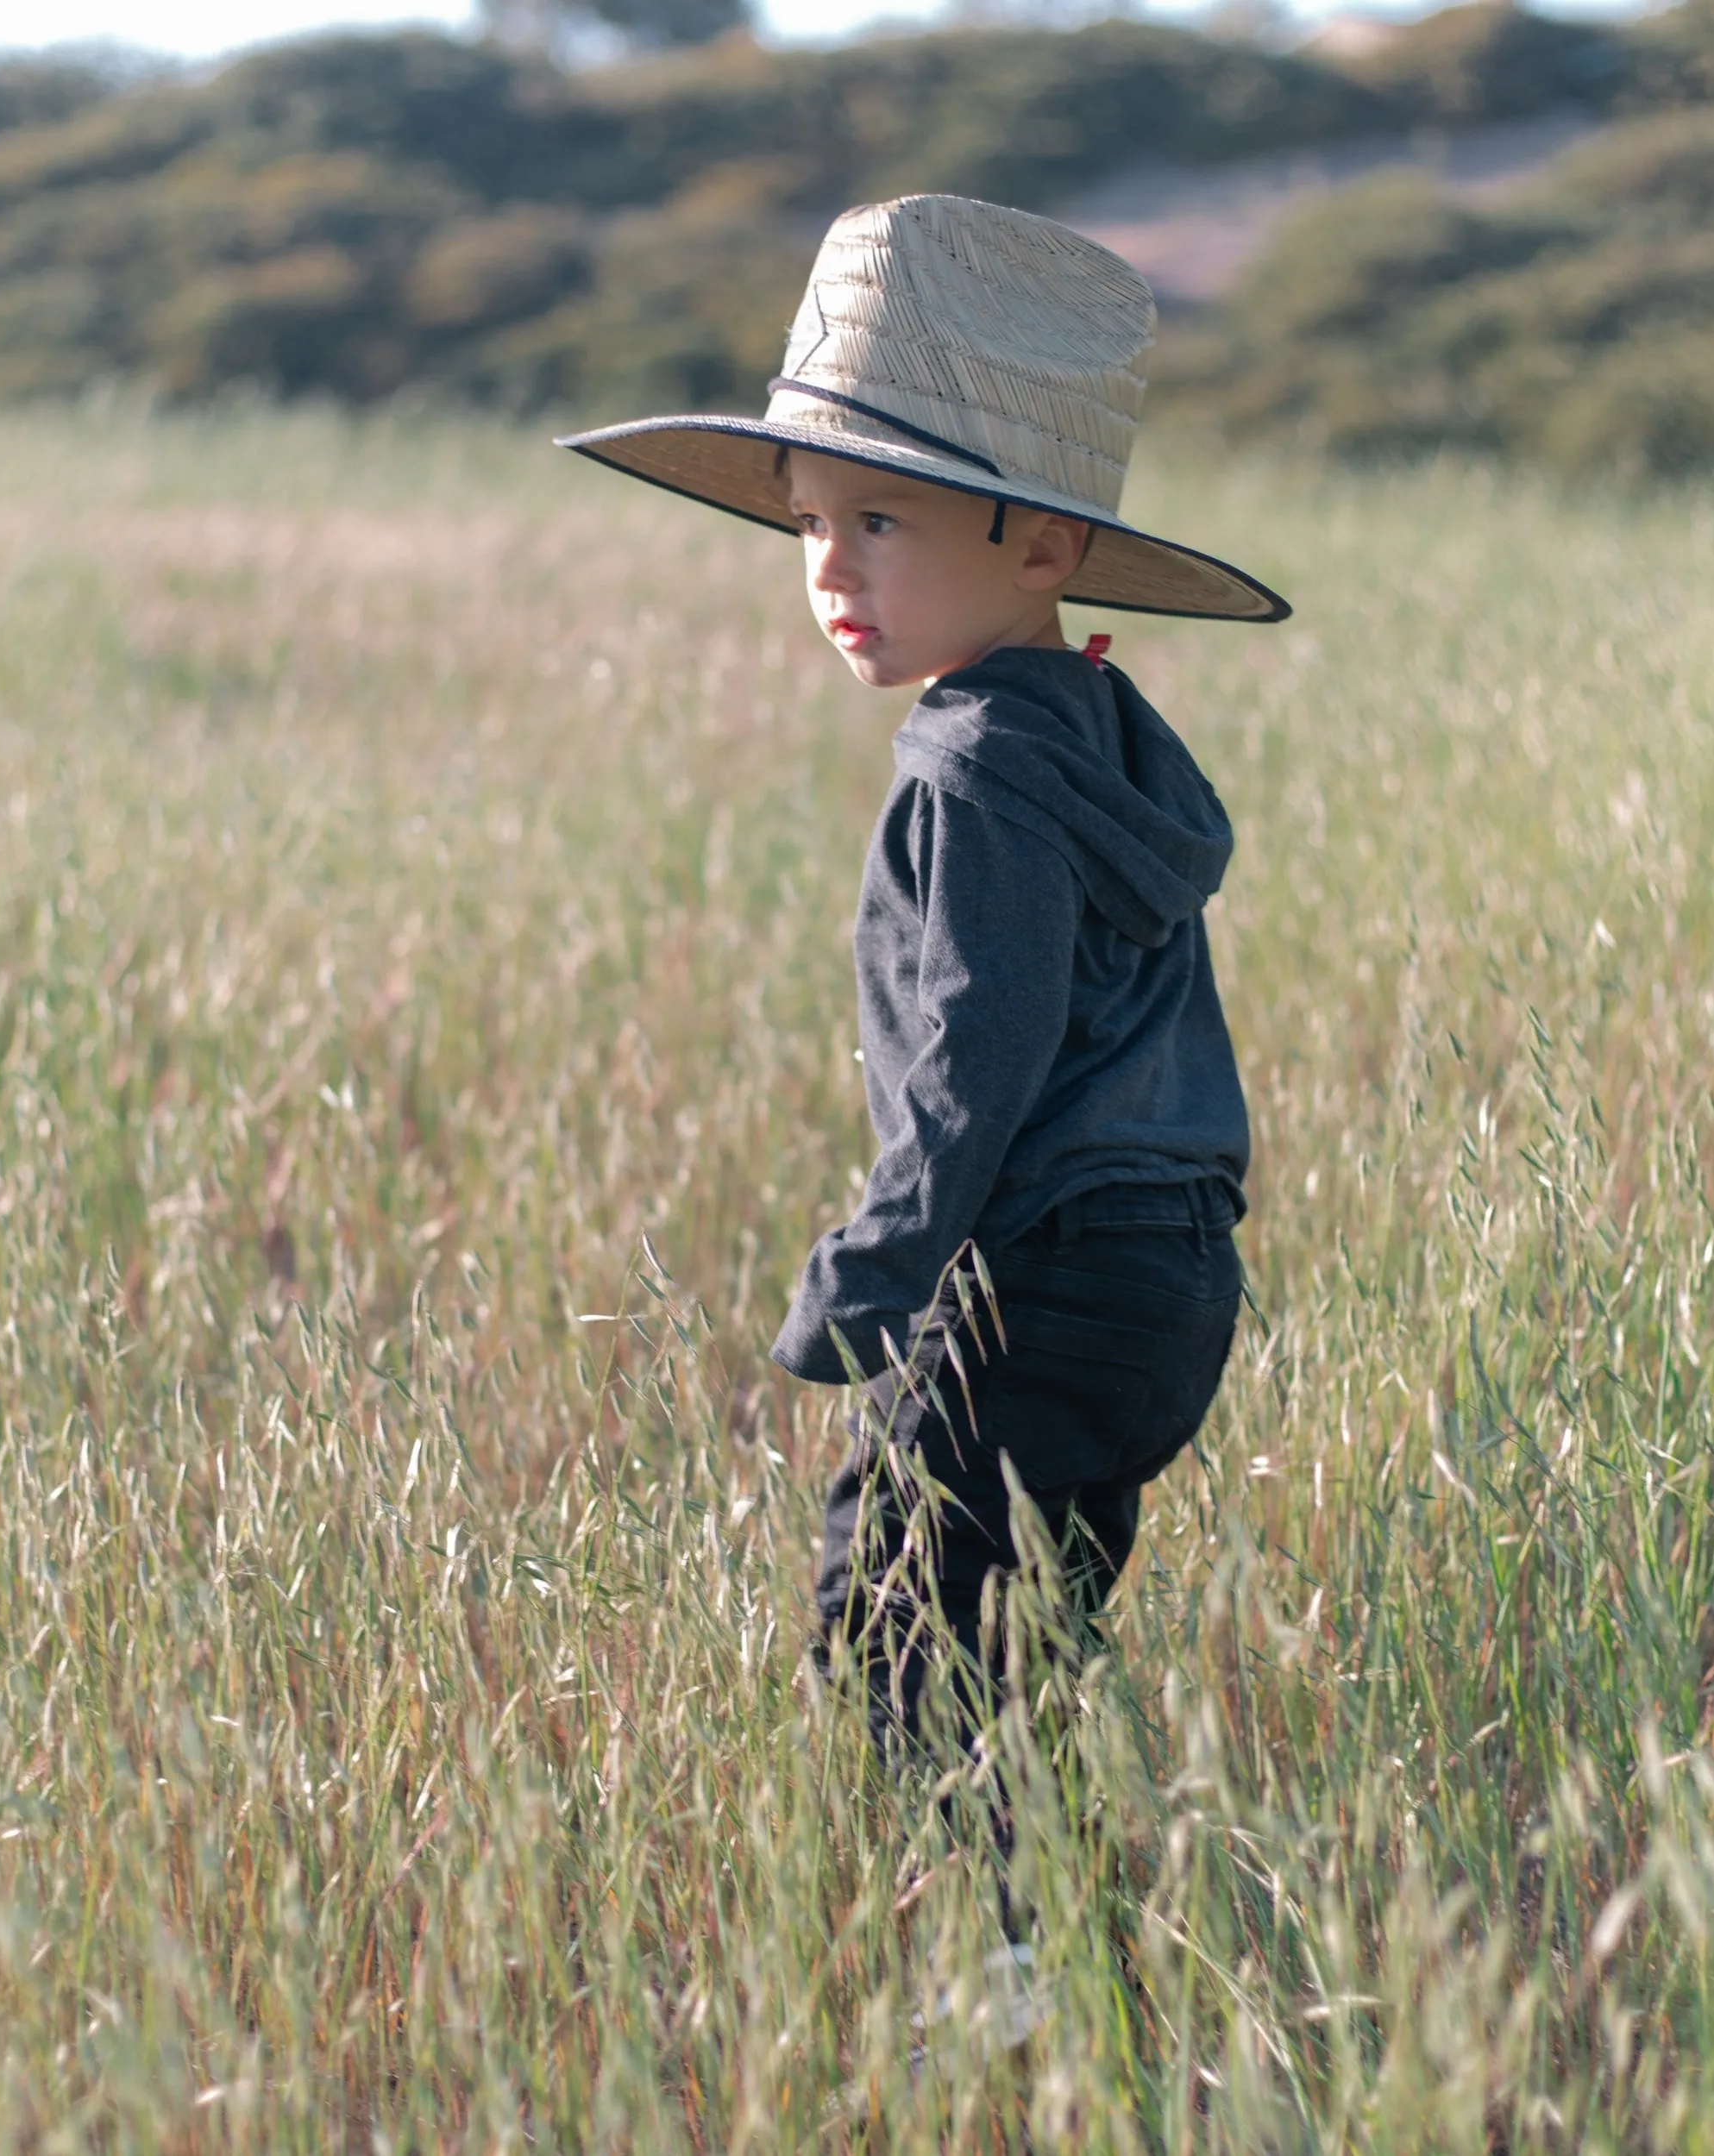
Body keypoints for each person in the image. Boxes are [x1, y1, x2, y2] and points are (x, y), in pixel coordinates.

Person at [557, 193, 1288, 1804]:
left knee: (889, 1621)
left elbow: (977, 1054)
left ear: (1041, 544)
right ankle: (1058, 1957)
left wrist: (874, 1268)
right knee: (1016, 1647)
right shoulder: (1099, 731)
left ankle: (992, 1965)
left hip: (1041, 1270)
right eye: (810, 523)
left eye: (881, 522)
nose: (830, 569)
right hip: (1170, 1283)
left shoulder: (970, 768)